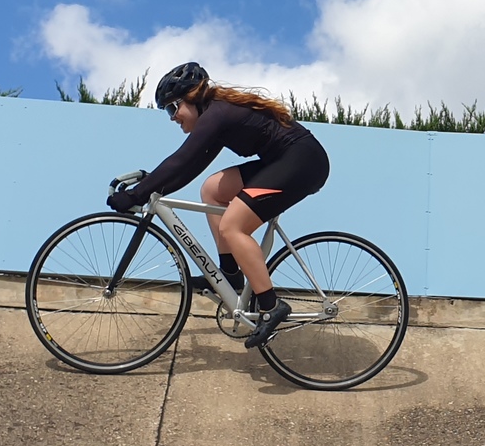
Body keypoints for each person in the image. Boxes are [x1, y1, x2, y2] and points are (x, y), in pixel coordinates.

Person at [105, 62, 329, 349]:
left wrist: (137, 194)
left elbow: (181, 159)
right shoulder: (216, 116)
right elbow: (190, 168)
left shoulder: (218, 114)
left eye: (172, 108)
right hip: (284, 160)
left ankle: (271, 306)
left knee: (233, 226)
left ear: (191, 98)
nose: (172, 118)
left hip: (303, 162)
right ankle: (231, 275)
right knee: (212, 189)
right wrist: (151, 187)